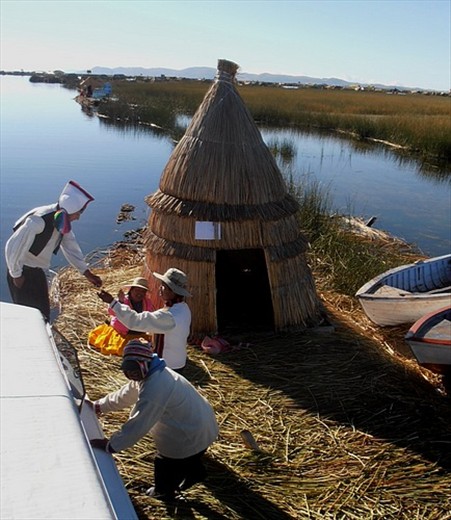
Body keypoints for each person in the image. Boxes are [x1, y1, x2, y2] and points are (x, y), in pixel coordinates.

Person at [89, 339, 218, 500]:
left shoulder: (155, 387)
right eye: (127, 369)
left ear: (144, 363)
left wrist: (112, 445)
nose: (130, 374)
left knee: (165, 464)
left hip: (190, 433)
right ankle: (197, 473)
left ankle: (163, 492)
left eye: (134, 369)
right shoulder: (153, 371)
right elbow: (127, 393)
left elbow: (138, 424)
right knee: (190, 457)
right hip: (201, 425)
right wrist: (99, 406)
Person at [5, 180, 102, 321]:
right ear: (69, 210)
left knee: (42, 312)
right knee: (27, 314)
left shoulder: (62, 222)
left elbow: (70, 248)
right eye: (78, 213)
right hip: (22, 272)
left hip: (36, 271)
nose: (78, 217)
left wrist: (86, 273)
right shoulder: (38, 221)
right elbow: (13, 247)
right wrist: (16, 275)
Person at [96, 268, 191, 372]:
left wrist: (112, 302)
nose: (160, 288)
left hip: (167, 365)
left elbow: (135, 321)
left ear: (172, 291)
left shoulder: (168, 316)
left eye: (163, 286)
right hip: (179, 361)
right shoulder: (184, 308)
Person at [88, 277, 154, 356]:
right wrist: (120, 302)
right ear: (131, 290)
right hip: (122, 333)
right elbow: (111, 312)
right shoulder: (123, 299)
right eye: (137, 290)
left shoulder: (147, 302)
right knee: (122, 350)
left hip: (137, 334)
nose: (140, 293)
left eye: (143, 291)